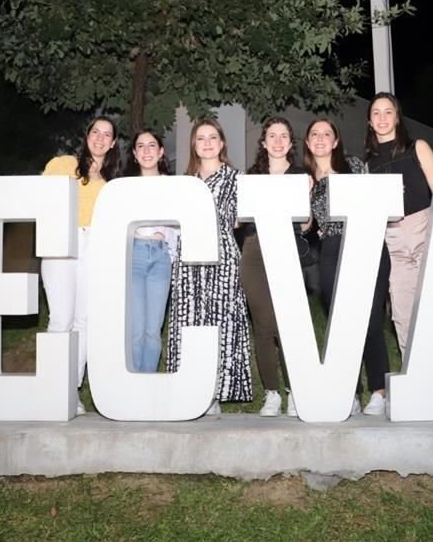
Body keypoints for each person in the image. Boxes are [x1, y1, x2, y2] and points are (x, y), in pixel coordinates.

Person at [365, 92, 433, 409]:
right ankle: (419, 383)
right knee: (403, 313)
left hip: (425, 227)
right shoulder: (370, 163)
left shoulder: (417, 147)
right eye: (376, 113)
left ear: (397, 117)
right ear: (370, 121)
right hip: (392, 237)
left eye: (388, 112)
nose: (382, 118)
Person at [304, 118, 392, 416]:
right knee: (340, 321)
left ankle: (379, 390)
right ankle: (350, 391)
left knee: (368, 320)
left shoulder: (353, 166)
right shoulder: (305, 179)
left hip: (364, 243)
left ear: (336, 141)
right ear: (307, 142)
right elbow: (306, 224)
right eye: (314, 134)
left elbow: (374, 202)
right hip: (330, 249)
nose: (320, 138)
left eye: (326, 133)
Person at [166, 117, 253, 415]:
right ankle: (189, 388)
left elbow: (241, 220)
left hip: (222, 258)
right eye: (200, 137)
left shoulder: (236, 179)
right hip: (188, 258)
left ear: (222, 142)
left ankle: (214, 393)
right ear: (193, 143)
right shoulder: (184, 182)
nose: (206, 142)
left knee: (220, 322)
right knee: (189, 321)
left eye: (212, 137)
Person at [41, 116, 121, 415]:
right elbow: (42, 202)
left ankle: (71, 390)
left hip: (95, 245)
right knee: (61, 317)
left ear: (113, 143)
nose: (100, 139)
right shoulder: (62, 165)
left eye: (107, 135)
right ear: (87, 136)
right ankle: (51, 389)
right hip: (64, 240)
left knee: (84, 321)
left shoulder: (111, 183)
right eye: (95, 132)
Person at [239, 117, 311, 417]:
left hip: (287, 248)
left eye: (284, 136)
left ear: (290, 143)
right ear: (264, 142)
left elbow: (306, 225)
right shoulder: (250, 177)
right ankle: (271, 394)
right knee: (264, 325)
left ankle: (296, 392)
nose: (278, 141)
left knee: (287, 325)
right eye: (272, 135)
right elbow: (239, 221)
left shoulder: (301, 176)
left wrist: (306, 194)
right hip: (255, 251)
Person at [123, 129, 179, 374]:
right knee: (135, 330)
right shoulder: (123, 188)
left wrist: (169, 249)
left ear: (161, 151)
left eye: (152, 145)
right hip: (132, 255)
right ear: (135, 154)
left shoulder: (173, 186)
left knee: (153, 331)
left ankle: (148, 387)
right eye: (141, 146)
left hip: (160, 257)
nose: (147, 150)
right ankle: (133, 389)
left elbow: (179, 225)